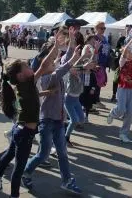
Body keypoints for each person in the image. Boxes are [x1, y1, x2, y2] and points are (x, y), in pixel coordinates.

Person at [0, 26, 69, 198]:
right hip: (25, 133)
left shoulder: (24, 84)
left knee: (9, 155)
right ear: (20, 76)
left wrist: (56, 48)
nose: (30, 66)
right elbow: (45, 64)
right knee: (19, 168)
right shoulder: (26, 83)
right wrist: (55, 47)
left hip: (20, 129)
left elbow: (45, 66)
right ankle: (14, 194)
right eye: (26, 66)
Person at [21, 27, 86, 194]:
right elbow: (62, 68)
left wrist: (71, 41)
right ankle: (26, 172)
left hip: (58, 119)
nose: (54, 63)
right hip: (47, 120)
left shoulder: (55, 72)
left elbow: (63, 63)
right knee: (43, 154)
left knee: (63, 153)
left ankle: (66, 180)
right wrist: (71, 58)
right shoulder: (46, 78)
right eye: (51, 63)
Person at [107, 38, 132, 142]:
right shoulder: (122, 61)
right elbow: (126, 49)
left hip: (131, 90)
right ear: (126, 53)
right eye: (130, 52)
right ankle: (112, 113)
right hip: (122, 88)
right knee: (121, 109)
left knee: (130, 112)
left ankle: (123, 134)